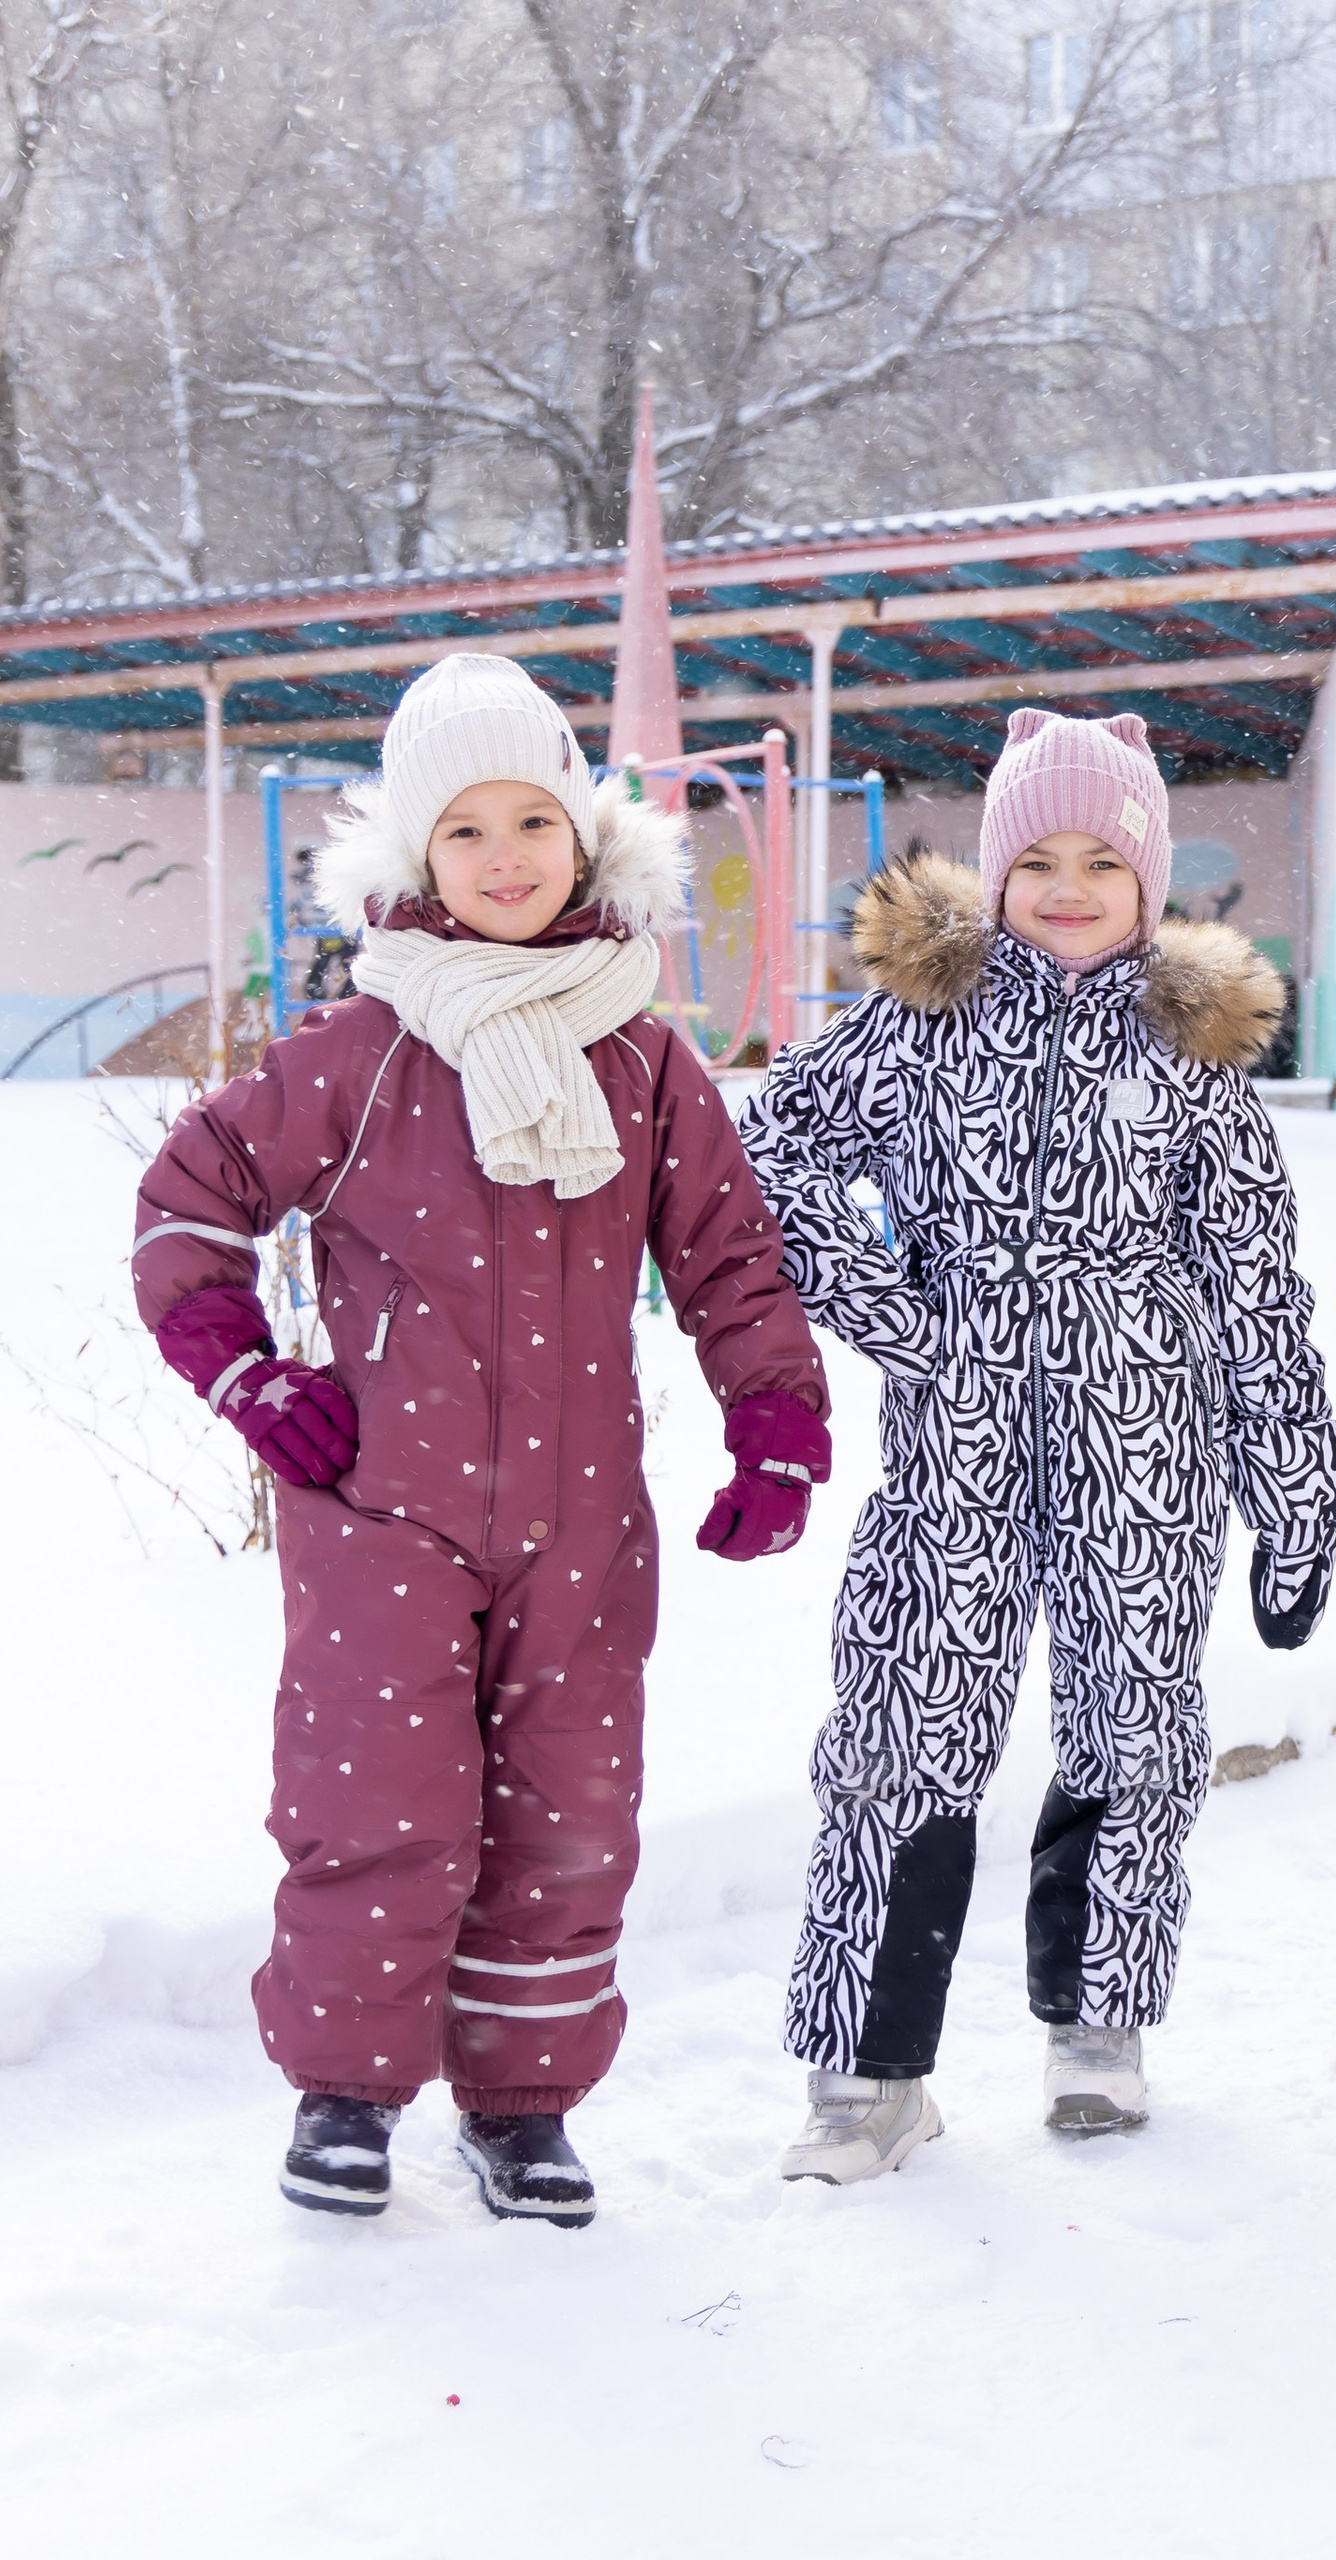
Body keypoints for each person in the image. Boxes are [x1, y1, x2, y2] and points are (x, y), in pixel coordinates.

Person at [131, 655, 829, 2227]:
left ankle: (522, 2104)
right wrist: (254, 1381)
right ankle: (350, 2093)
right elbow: (182, 1215)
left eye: (535, 819)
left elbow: (728, 1255)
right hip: (381, 1504)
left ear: (585, 844)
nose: (505, 856)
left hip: (585, 1516)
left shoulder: (643, 1055)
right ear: (412, 859)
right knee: (382, 1803)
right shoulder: (348, 1056)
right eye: (465, 831)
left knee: (572, 1813)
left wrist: (772, 1423)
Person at [738, 708, 1336, 2179]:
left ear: (1151, 886)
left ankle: (1097, 2022)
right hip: (956, 1437)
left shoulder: (1190, 1060)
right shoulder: (916, 1025)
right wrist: (894, 1305)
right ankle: (875, 2065)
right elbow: (774, 1152)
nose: (1070, 889)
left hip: (1148, 1443)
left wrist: (1297, 1488)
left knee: (1133, 1725)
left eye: (1104, 862)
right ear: (994, 872)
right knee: (905, 1724)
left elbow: (1257, 1285)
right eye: (1039, 861)